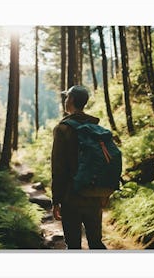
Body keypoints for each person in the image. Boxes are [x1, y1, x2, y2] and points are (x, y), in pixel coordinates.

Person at [51, 85, 107, 249]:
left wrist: (56, 201)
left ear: (72, 100)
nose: (65, 100)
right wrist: (104, 192)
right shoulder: (96, 128)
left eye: (67, 97)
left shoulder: (63, 129)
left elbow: (58, 168)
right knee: (96, 242)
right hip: (94, 195)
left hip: (71, 197)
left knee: (74, 245)